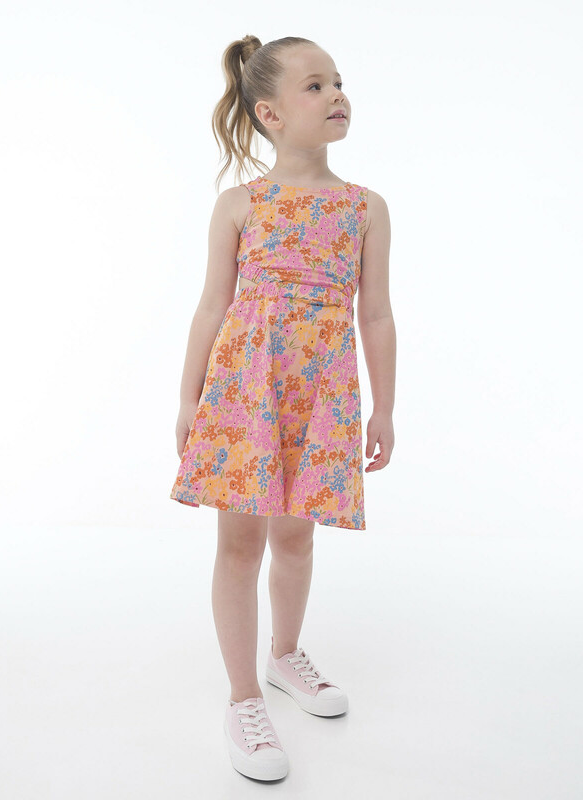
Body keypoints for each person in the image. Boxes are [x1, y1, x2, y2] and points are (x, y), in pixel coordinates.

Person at [170, 35, 395, 781]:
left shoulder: (365, 208)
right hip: (246, 390)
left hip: (321, 392)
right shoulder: (240, 204)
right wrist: (188, 396)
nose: (336, 95)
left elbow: (375, 314)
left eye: (338, 81)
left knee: (296, 539)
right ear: (268, 113)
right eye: (315, 85)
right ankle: (243, 697)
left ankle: (284, 655)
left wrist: (384, 408)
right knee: (240, 544)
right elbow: (212, 305)